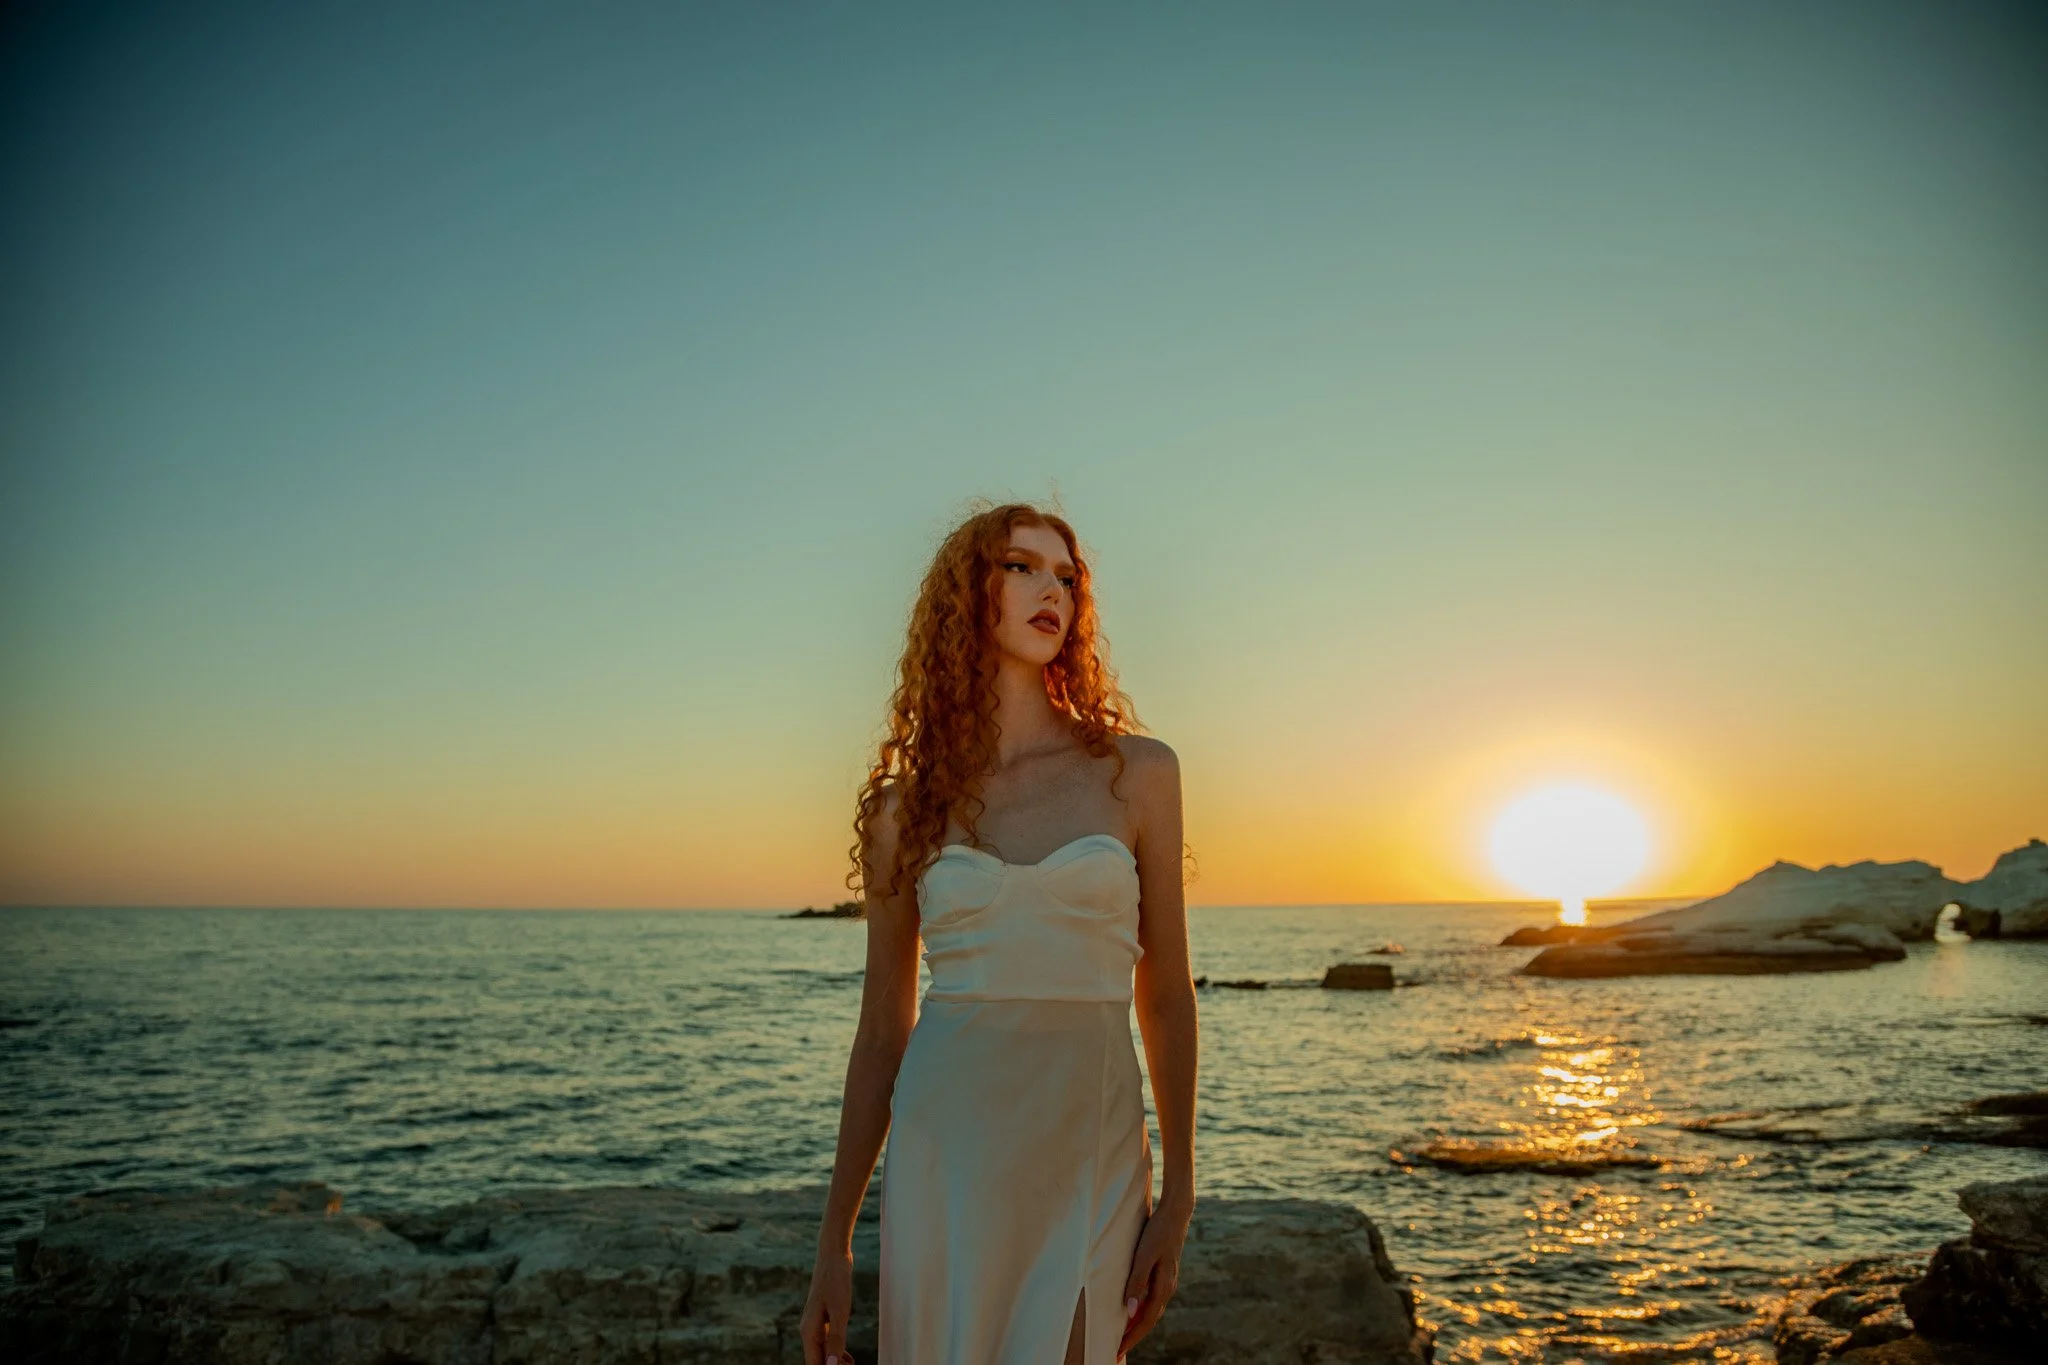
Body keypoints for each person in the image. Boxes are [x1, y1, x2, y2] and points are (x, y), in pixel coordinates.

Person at [801, 500, 1199, 1364]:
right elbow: (881, 1030)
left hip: (1088, 1140)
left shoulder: (1139, 773)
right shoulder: (904, 811)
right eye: (1021, 566)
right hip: (948, 1150)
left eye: (1066, 576)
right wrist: (832, 1244)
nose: (1050, 588)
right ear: (964, 594)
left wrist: (1179, 1193)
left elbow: (1165, 991)